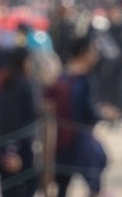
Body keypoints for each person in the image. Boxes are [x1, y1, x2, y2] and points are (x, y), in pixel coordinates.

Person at [48, 36, 111, 197]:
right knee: (94, 181)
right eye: (92, 51)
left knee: (62, 185)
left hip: (61, 140)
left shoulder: (61, 78)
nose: (95, 55)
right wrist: (105, 114)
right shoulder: (84, 80)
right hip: (81, 139)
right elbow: (89, 111)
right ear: (84, 53)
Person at [0, 47, 40, 197]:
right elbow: (33, 112)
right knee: (30, 181)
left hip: (4, 139)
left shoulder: (5, 80)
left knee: (8, 184)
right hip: (22, 140)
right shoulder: (26, 83)